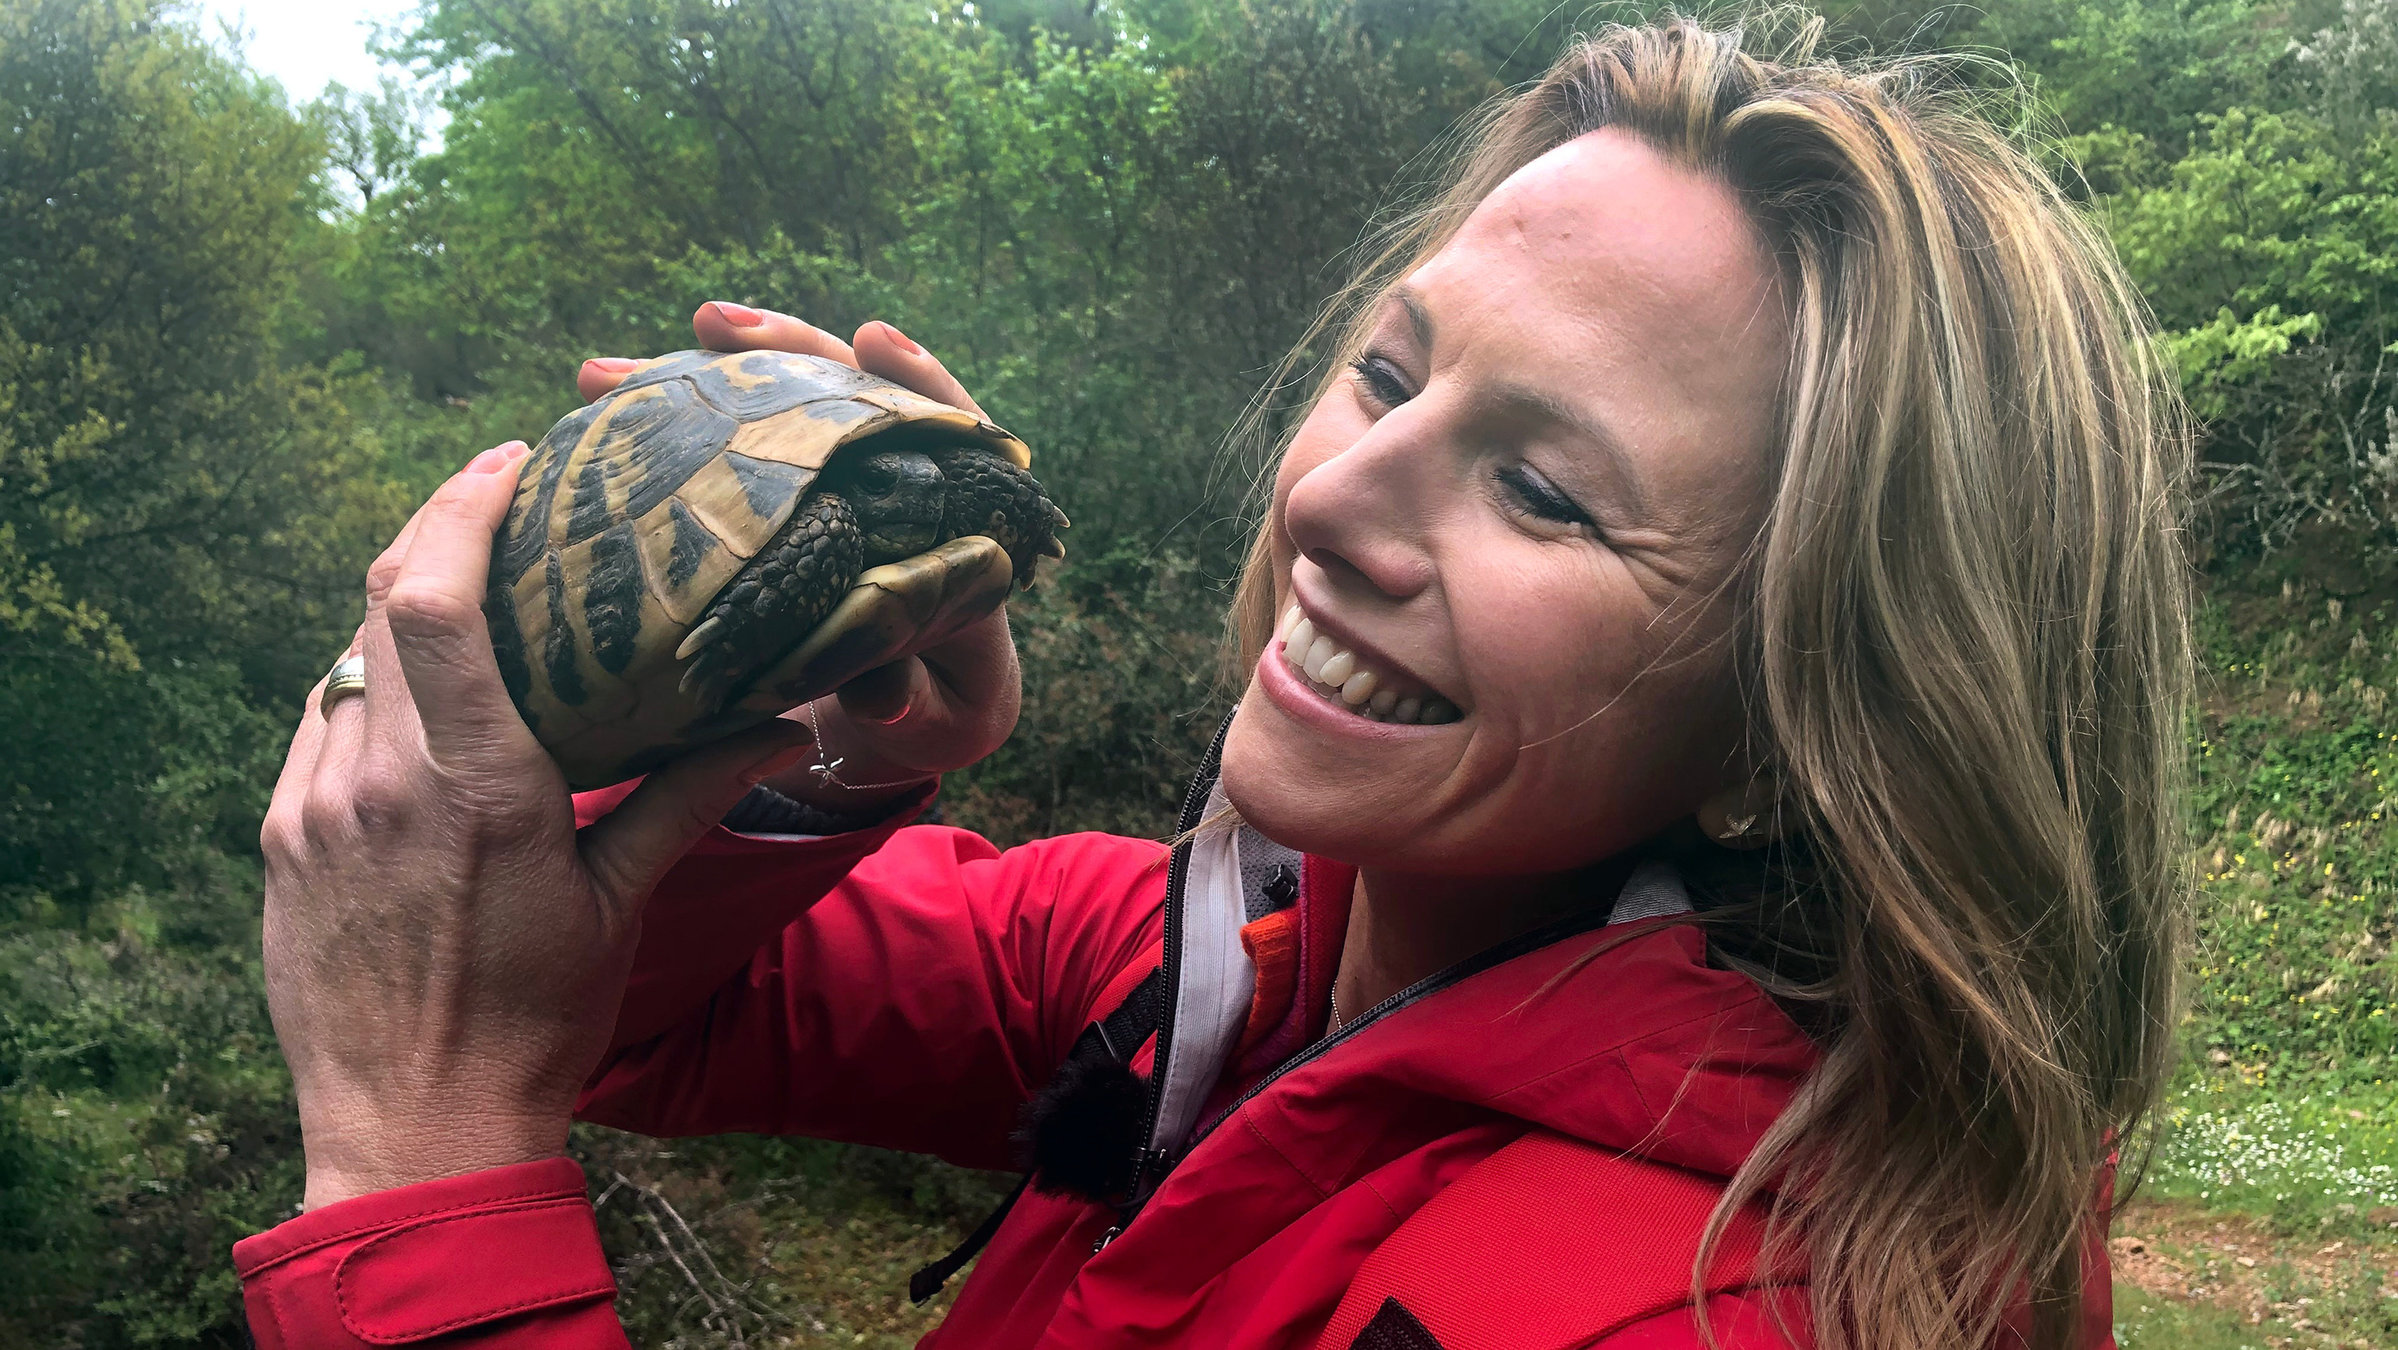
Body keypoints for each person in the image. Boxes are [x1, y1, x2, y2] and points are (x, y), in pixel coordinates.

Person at [235, 15, 2190, 1350]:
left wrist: (421, 1188)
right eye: (1390, 377)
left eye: (1536, 488)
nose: (1337, 494)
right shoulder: (1223, 959)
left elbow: (496, 1062)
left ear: (1798, 717)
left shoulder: (1657, 1303)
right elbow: (624, 1006)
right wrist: (844, 738)